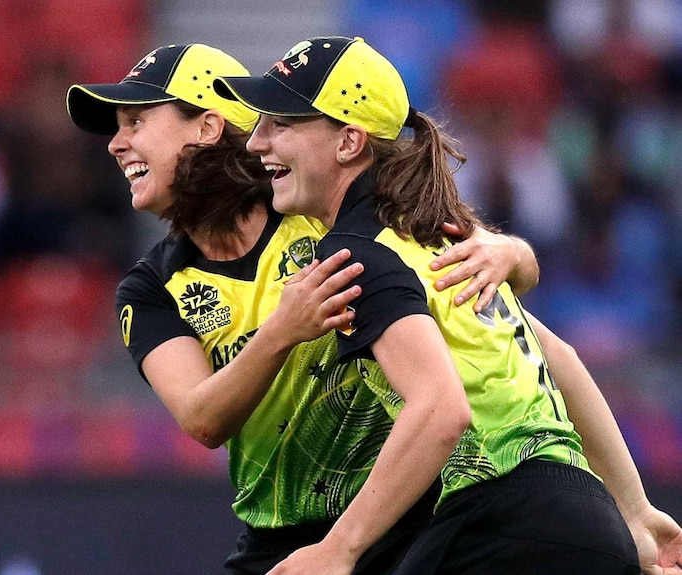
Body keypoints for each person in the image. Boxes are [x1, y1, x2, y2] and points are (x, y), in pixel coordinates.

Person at [65, 43, 544, 574]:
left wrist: (511, 251)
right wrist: (281, 331)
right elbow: (202, 419)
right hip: (281, 534)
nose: (115, 144)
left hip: (404, 515)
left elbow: (479, 267)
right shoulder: (151, 286)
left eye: (135, 121)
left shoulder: (314, 200)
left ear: (205, 127)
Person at [215, 35, 682, 574]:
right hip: (589, 524)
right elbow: (560, 359)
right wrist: (637, 512)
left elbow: (441, 410)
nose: (255, 142)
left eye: (282, 123)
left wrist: (335, 551)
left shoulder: (356, 255)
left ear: (348, 143)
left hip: (499, 524)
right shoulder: (439, 243)